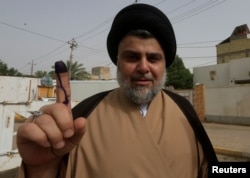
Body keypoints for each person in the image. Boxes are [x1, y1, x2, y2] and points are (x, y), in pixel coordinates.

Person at [16, 3, 217, 178]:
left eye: (153, 58)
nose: (144, 67)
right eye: (132, 57)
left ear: (164, 65)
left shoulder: (185, 111)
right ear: (118, 63)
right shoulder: (81, 118)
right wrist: (40, 170)